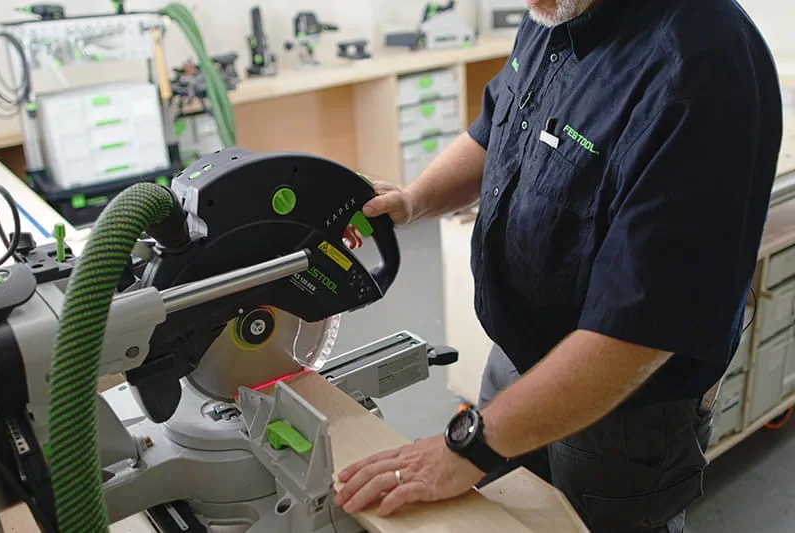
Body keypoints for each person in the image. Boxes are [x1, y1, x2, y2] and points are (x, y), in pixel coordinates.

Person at [333, 0, 783, 531]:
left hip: (620, 413)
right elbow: (498, 126)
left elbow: (640, 332)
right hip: (516, 359)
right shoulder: (554, 10)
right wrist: (414, 200)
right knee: (507, 518)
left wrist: (468, 447)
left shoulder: (702, 66)